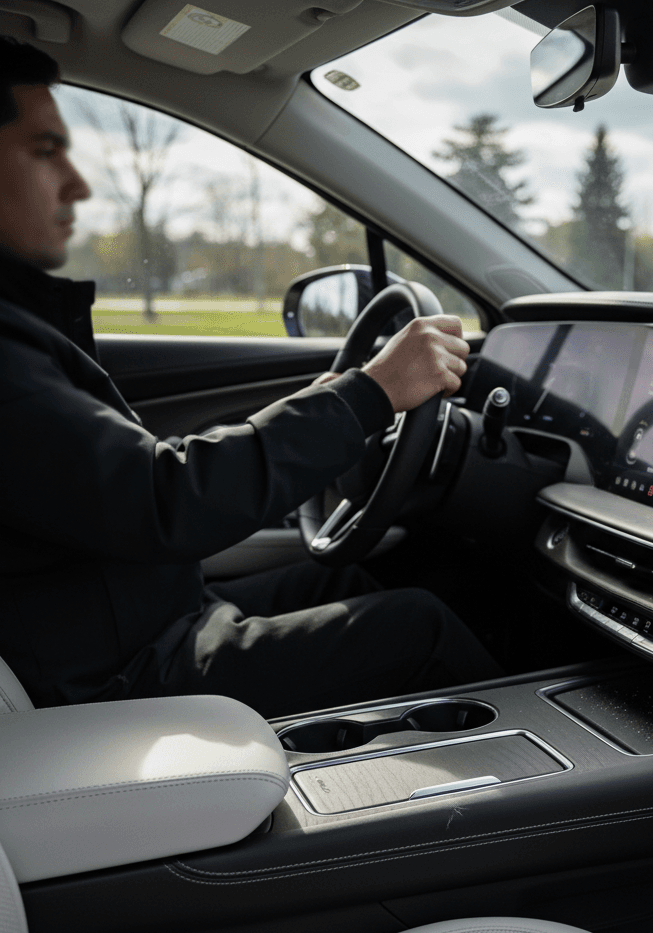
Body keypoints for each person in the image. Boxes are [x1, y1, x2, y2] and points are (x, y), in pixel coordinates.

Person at [0, 36, 500, 718]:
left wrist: (340, 399)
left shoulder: (19, 327)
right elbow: (163, 499)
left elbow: (127, 483)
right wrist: (370, 394)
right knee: (421, 628)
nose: (76, 184)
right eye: (44, 151)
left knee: (366, 577)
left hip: (131, 627)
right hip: (112, 676)